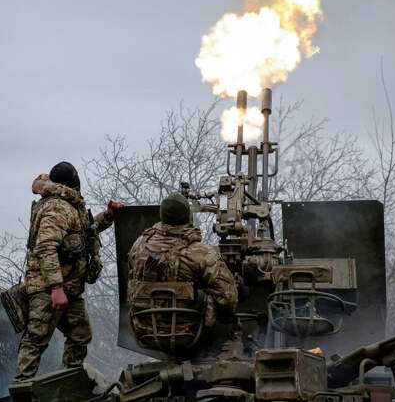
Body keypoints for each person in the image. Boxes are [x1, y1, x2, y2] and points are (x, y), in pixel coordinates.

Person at [15, 161, 123, 381]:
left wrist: (108, 215)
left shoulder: (69, 205)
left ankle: (68, 384)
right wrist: (56, 288)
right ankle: (22, 388)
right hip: (49, 289)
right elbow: (46, 247)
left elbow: (84, 231)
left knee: (80, 334)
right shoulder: (58, 207)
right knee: (36, 338)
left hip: (69, 288)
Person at [127, 193, 237, 353]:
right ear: (188, 216)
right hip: (188, 333)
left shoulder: (139, 245)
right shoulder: (203, 253)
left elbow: (131, 277)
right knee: (216, 295)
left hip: (144, 331)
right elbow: (229, 298)